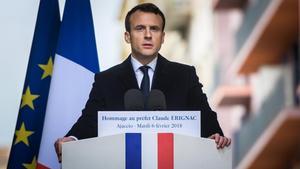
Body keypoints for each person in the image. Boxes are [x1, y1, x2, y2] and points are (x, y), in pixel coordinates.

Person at [55, 3, 231, 162]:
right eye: (140, 28)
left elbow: (206, 118)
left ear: (162, 37)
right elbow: (90, 120)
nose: (148, 35)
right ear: (127, 36)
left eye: (154, 29)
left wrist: (215, 136)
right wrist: (72, 140)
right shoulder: (106, 80)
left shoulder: (185, 75)